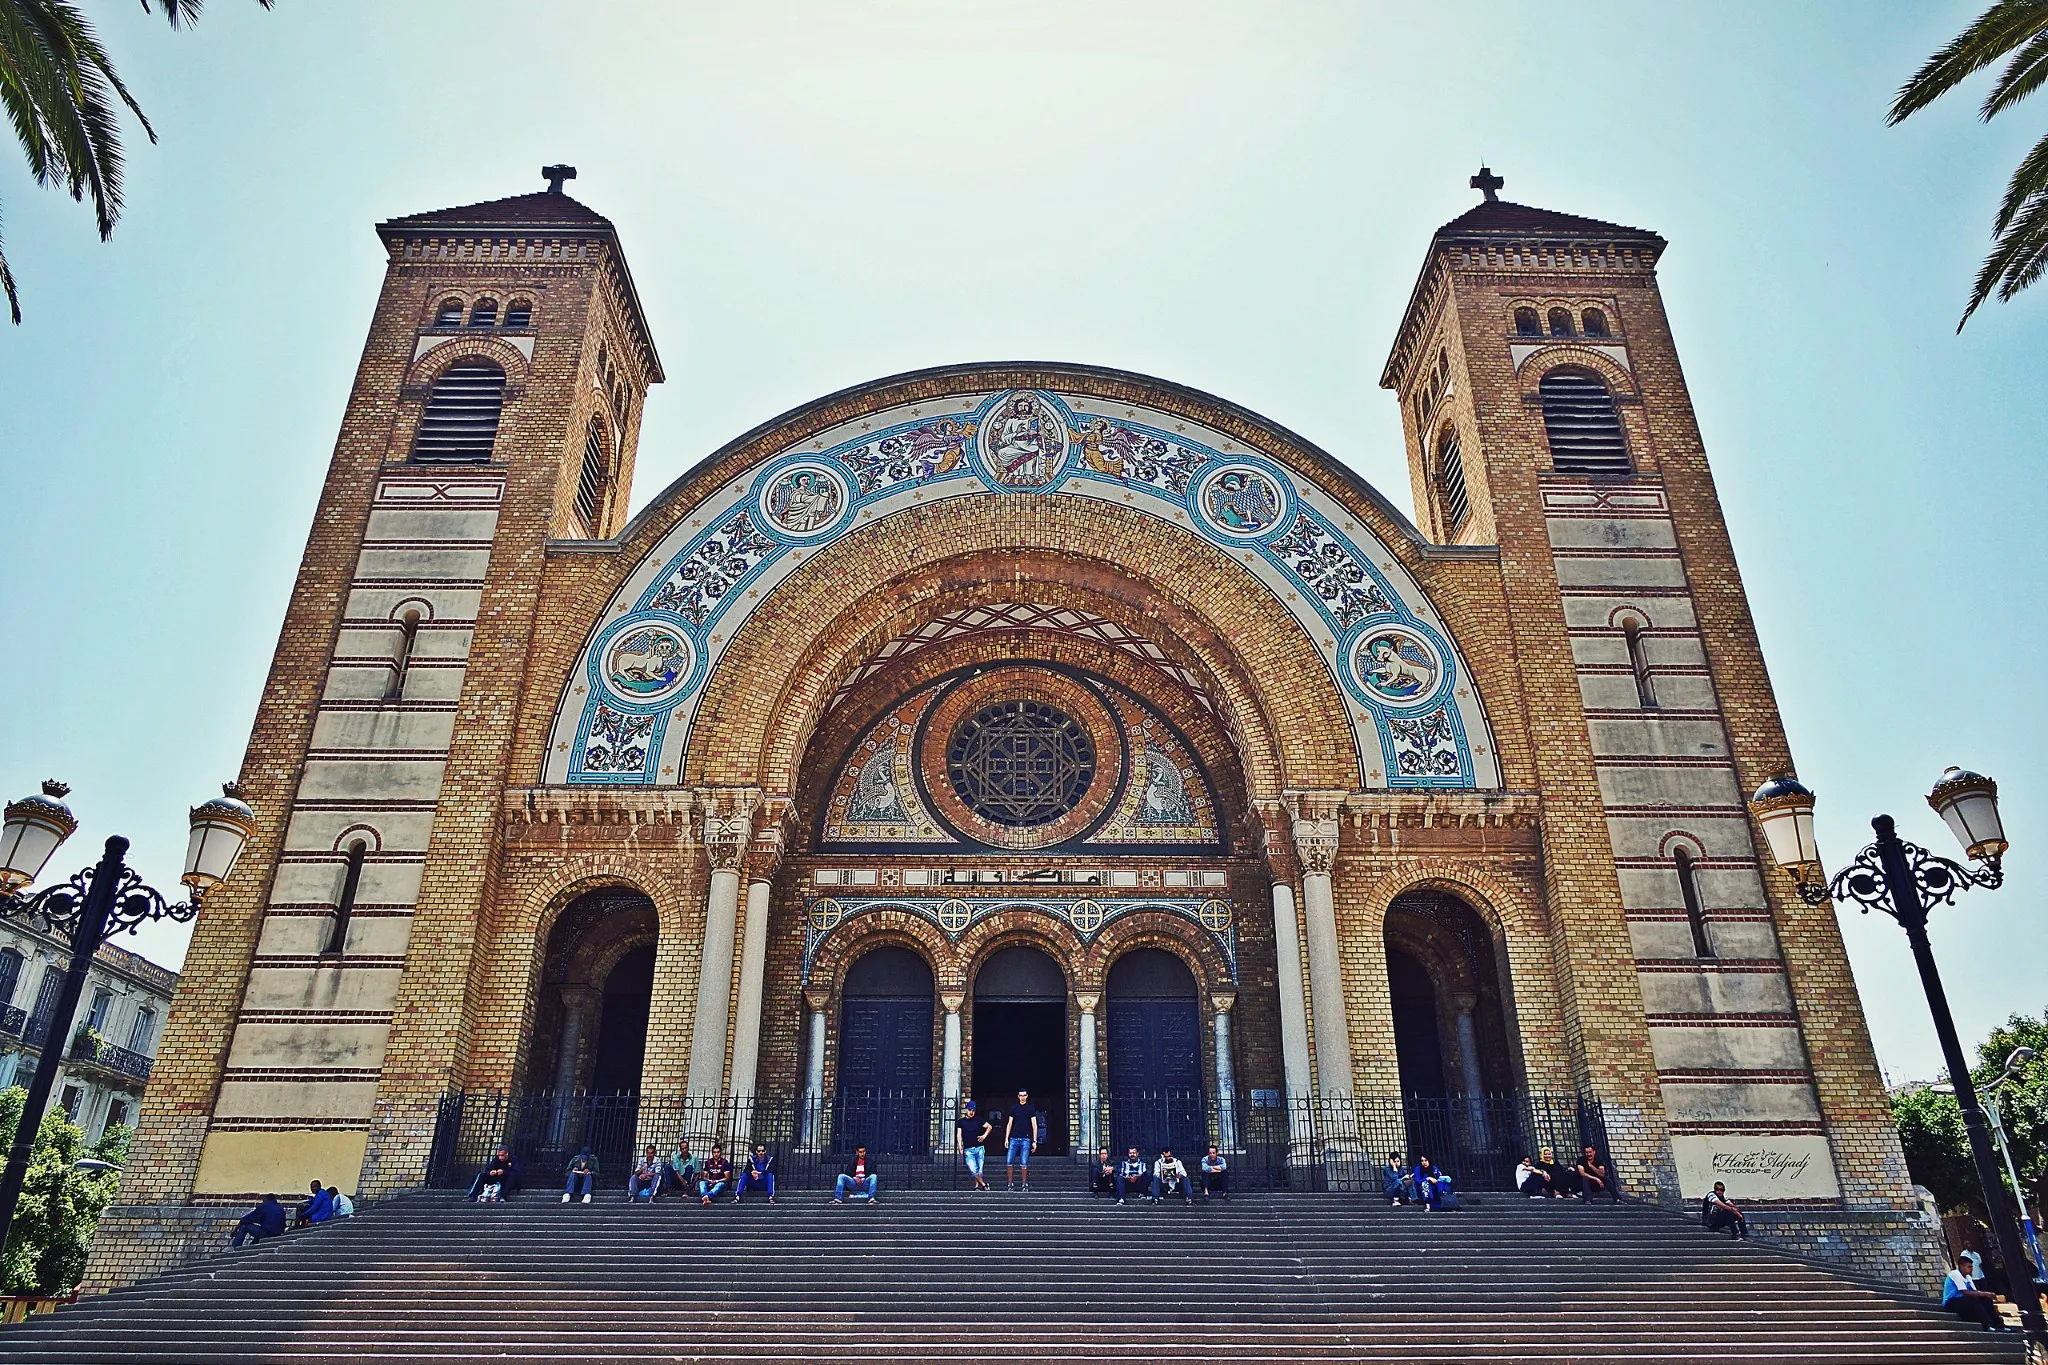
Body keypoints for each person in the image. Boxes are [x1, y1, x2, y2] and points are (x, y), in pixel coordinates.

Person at [1942, 1254, 2004, 1330]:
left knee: (1985, 1299)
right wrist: (1984, 1293)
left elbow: (1975, 1291)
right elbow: (1965, 1292)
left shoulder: (1968, 1277)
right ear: (1961, 1266)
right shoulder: (1955, 1274)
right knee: (1972, 1299)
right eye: (1969, 1267)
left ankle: (1998, 1324)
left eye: (1971, 1267)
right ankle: (1986, 1325)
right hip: (1951, 1303)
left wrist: (1987, 1295)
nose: (1971, 1269)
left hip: (1963, 1301)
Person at [1004, 1089, 1039, 1191]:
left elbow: (1034, 1125)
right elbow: (1009, 1123)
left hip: (1026, 1138)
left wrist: (1035, 1141)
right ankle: (1010, 1184)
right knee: (1009, 1161)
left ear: (1027, 1096)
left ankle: (1024, 1184)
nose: (1022, 1097)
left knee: (1024, 1162)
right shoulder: (1014, 1108)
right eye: (1021, 1095)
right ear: (1018, 1096)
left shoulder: (1030, 1108)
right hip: (1014, 1138)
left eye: (1024, 1095)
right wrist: (1006, 1138)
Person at [956, 1100, 993, 1192]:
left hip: (979, 1147)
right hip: (968, 1149)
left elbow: (989, 1127)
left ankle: (977, 1186)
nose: (971, 1112)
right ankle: (984, 1185)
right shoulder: (961, 1122)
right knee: (973, 1168)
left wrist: (984, 1136)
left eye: (973, 1110)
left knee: (979, 1169)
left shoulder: (979, 1120)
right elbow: (959, 1134)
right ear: (966, 1110)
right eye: (969, 1110)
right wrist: (960, 1145)